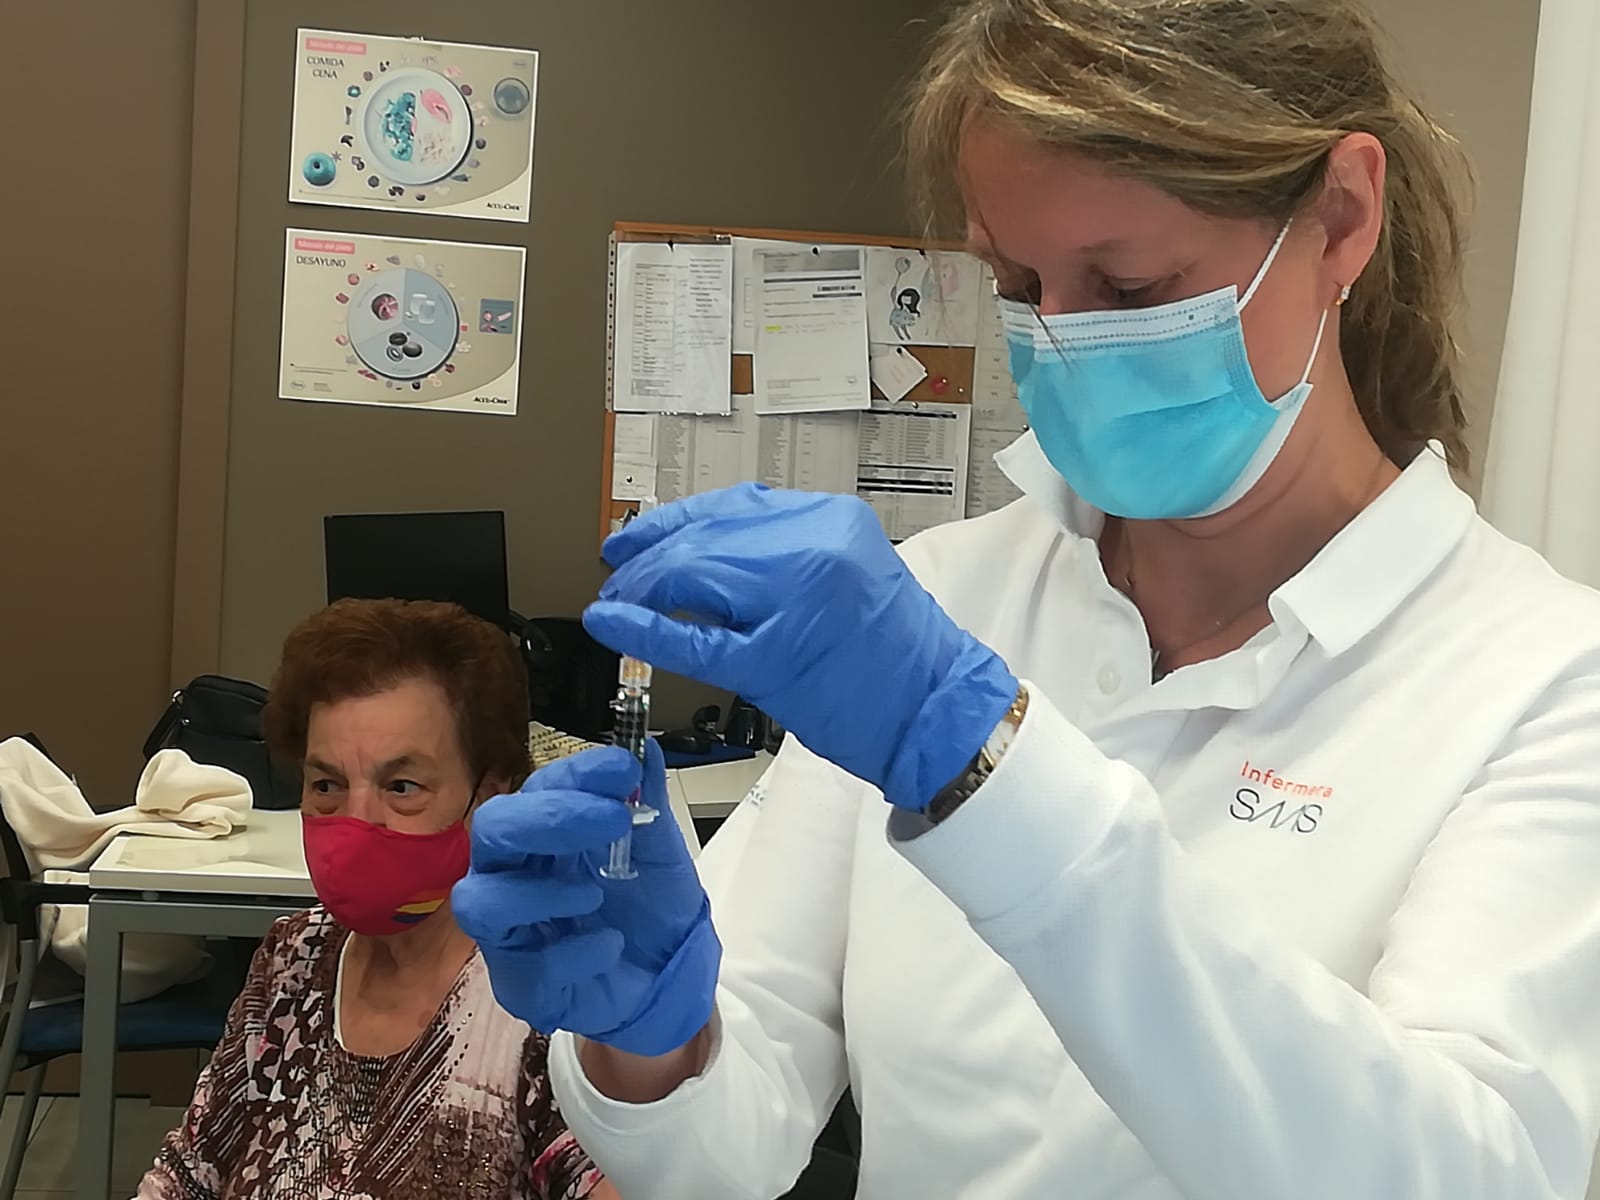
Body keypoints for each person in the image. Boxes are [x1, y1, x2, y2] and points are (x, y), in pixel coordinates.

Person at [455, 1, 1600, 1197]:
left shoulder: (1539, 681)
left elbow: (1477, 1176)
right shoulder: (944, 597)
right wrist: (650, 1041)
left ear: (1340, 220)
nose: (1059, 341)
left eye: (1130, 283)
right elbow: (723, 1152)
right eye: (1016, 280)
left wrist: (984, 768)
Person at [139, 599, 614, 1200]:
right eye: (327, 785)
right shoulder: (296, 956)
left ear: (491, 795)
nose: (358, 821)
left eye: (402, 786)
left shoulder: (547, 1002)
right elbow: (186, 1175)